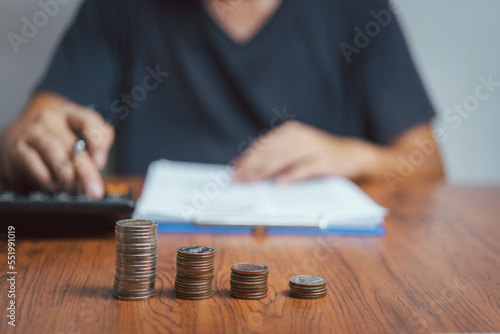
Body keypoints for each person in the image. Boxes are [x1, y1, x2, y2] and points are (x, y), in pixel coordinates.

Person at [0, 0, 444, 199]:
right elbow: (32, 130)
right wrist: (29, 145)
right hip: (156, 268)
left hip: (332, 267)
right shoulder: (120, 7)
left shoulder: (358, 9)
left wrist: (351, 156)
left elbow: (428, 166)